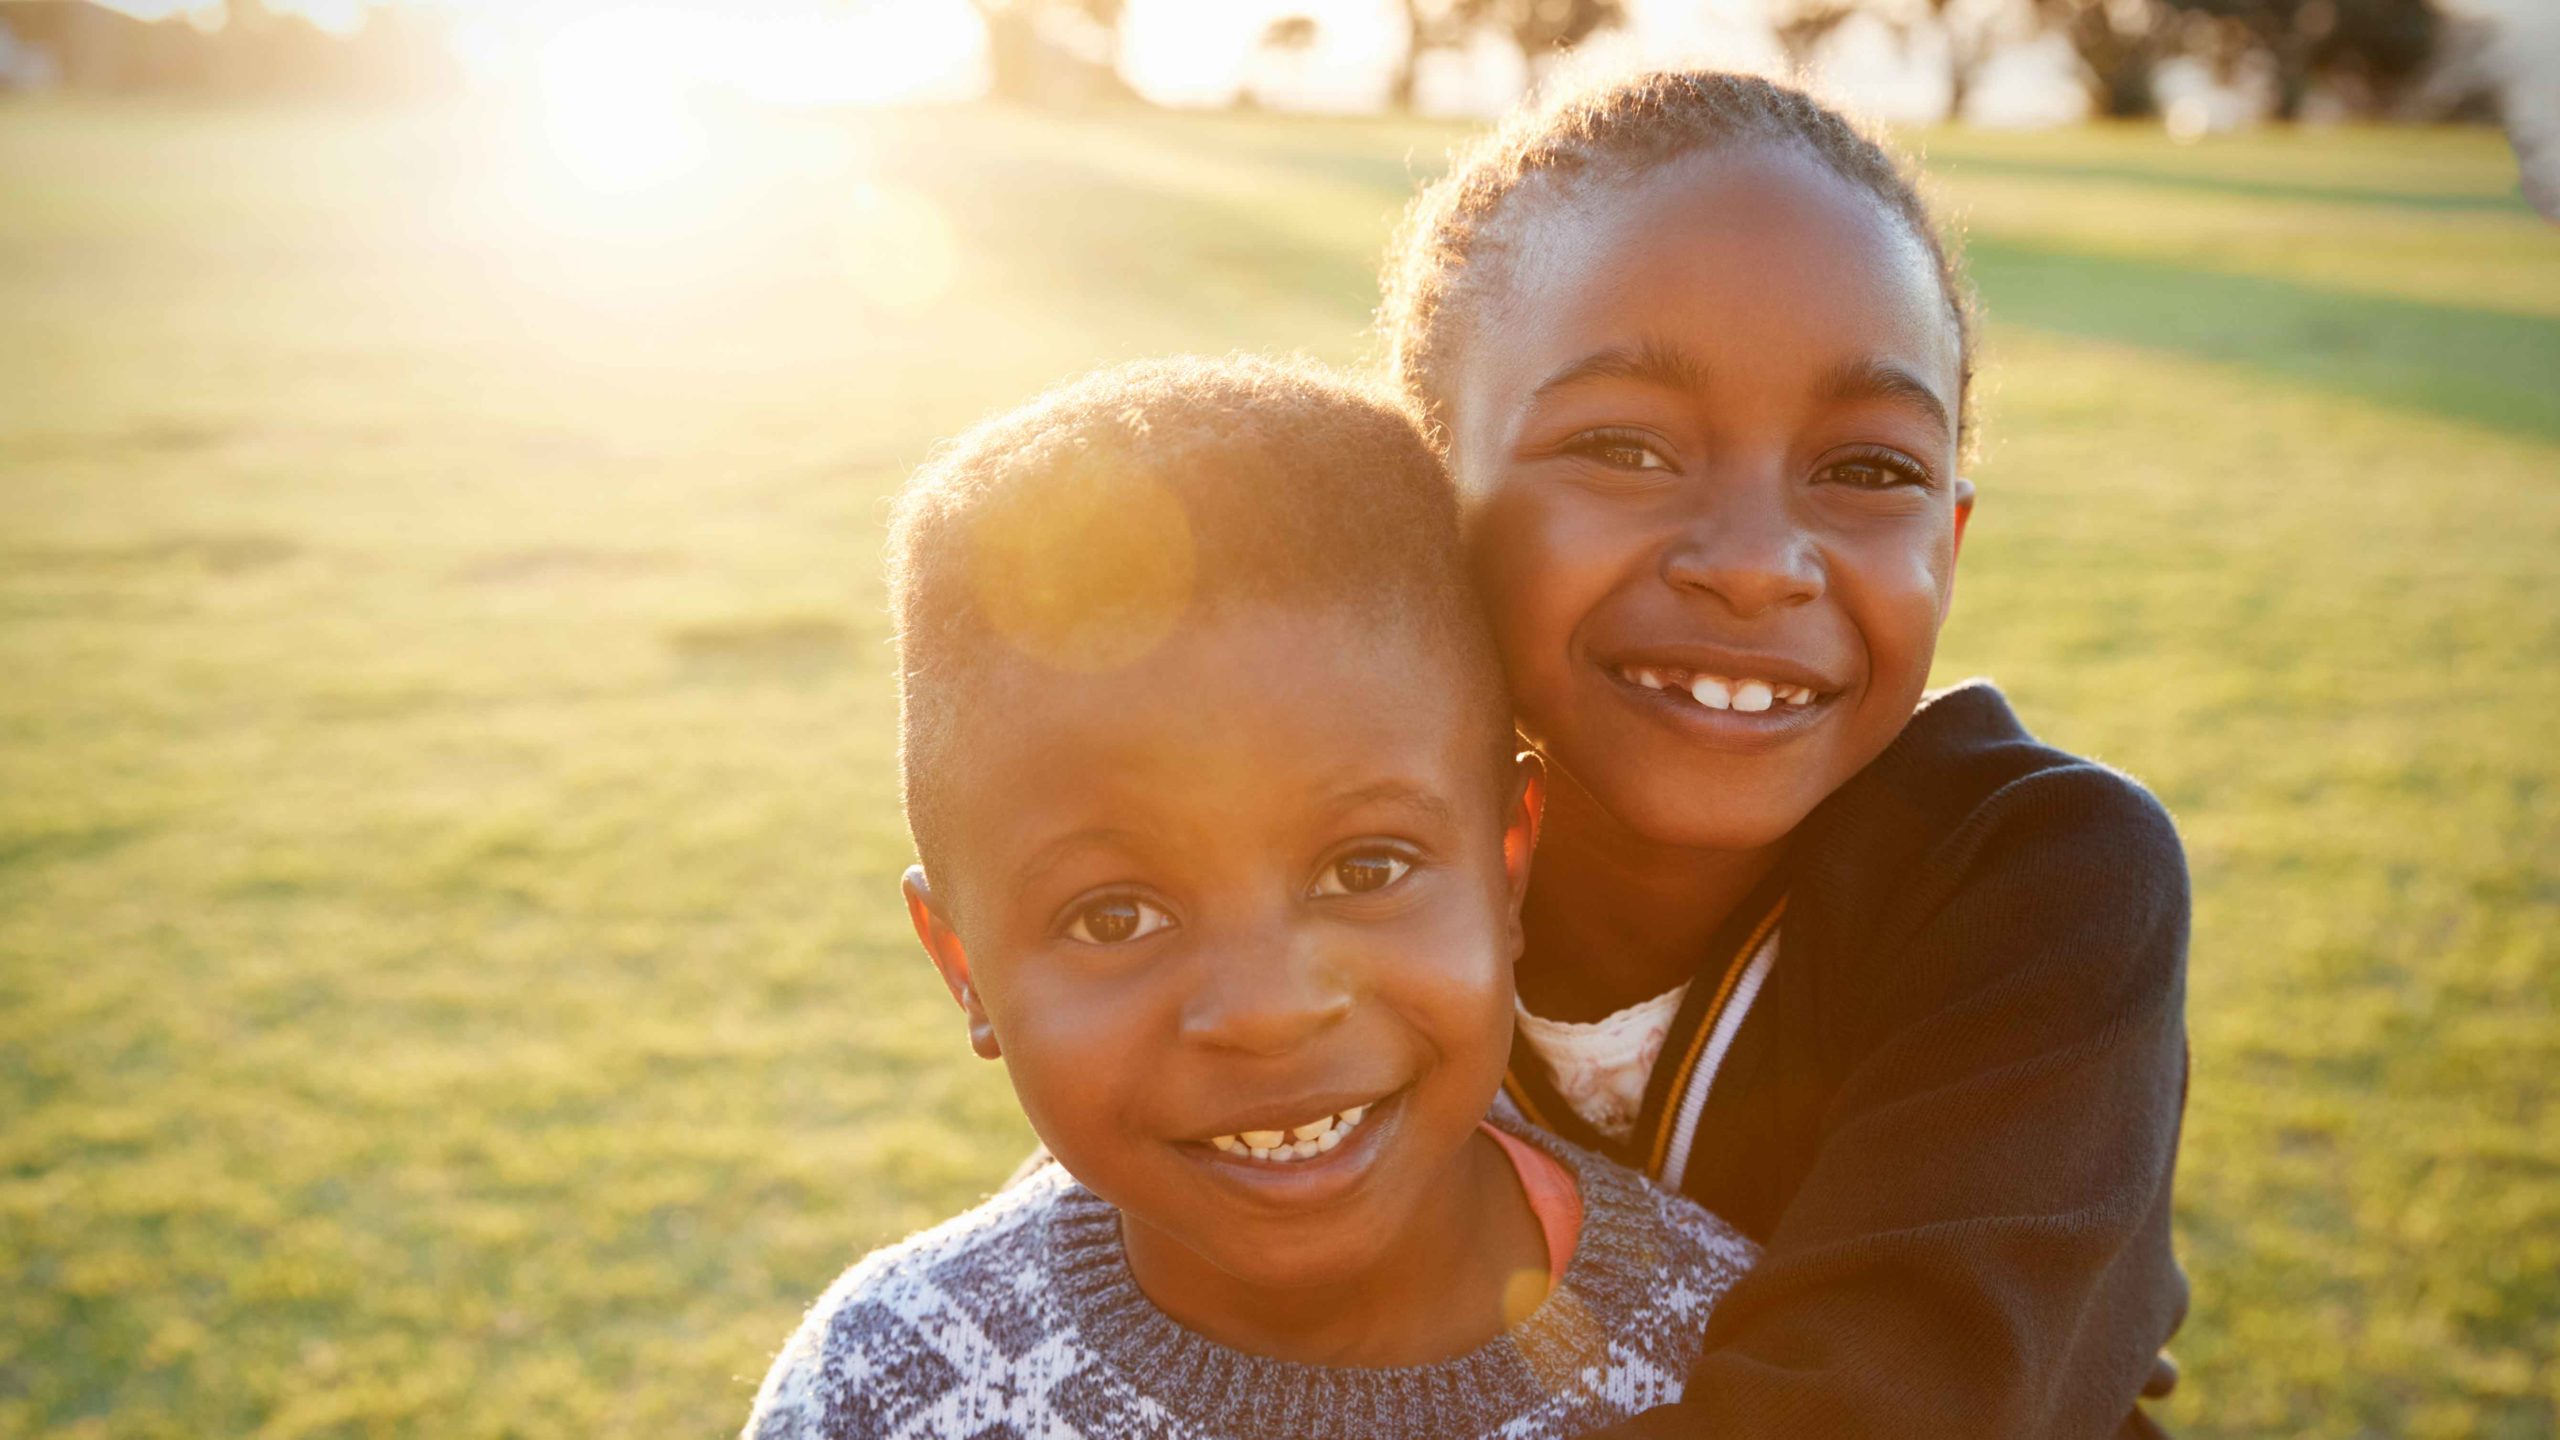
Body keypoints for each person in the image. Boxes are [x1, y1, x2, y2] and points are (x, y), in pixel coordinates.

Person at [1377, 70, 2192, 1438]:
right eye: (1623, 446)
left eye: (1869, 470)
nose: (1757, 566)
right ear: (1421, 500)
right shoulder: (1332, 879)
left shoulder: (2042, 881)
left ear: (1949, 541)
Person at [740, 357, 1757, 1440]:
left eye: (1364, 869)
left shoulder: (1739, 1359)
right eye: (1113, 915)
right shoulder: (887, 1389)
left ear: (1506, 860)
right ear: (964, 967)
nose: (1266, 1011)